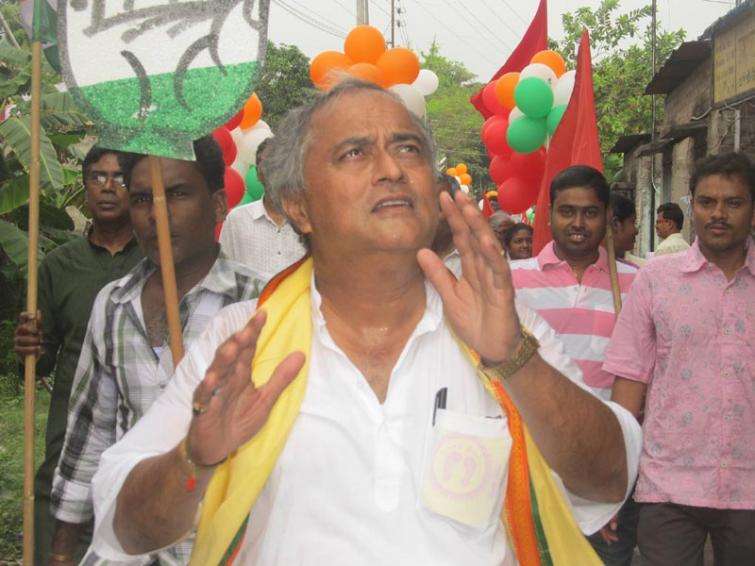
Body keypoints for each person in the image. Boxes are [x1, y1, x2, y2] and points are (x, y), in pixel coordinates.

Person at [89, 80, 640, 565]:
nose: (393, 168)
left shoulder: (505, 328)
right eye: (355, 152)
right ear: (299, 207)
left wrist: (514, 362)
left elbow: (608, 480)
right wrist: (195, 458)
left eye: (408, 149)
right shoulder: (243, 340)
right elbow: (125, 529)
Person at [49, 136, 264, 565]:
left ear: (218, 206)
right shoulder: (113, 303)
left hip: (217, 552)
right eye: (142, 198)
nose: (157, 215)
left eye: (178, 194)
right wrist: (61, 553)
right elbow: (90, 435)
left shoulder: (259, 306)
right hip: (127, 548)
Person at [605, 152, 755, 566]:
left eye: (733, 202)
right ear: (692, 206)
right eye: (707, 202)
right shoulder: (656, 280)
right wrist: (614, 484)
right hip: (669, 487)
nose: (718, 213)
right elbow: (629, 382)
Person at [13, 145, 143, 565]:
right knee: (57, 539)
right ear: (85, 188)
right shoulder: (57, 266)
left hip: (139, 427)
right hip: (69, 427)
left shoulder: (156, 260)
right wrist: (30, 349)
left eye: (119, 178)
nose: (107, 187)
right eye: (97, 178)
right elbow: (42, 362)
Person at [509, 167, 640, 565]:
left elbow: (637, 384)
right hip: (531, 468)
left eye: (590, 212)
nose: (579, 223)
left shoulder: (638, 285)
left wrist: (609, 490)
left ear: (608, 217)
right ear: (549, 215)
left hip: (607, 462)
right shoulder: (512, 280)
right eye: (567, 211)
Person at [219, 139, 306, 283]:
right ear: (258, 175)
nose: (274, 175)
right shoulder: (236, 220)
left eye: (279, 166)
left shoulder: (311, 220)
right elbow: (224, 273)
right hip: (251, 298)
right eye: (267, 167)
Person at [610, 193, 644, 267]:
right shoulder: (633, 271)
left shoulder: (637, 267)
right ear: (615, 224)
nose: (636, 231)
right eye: (633, 222)